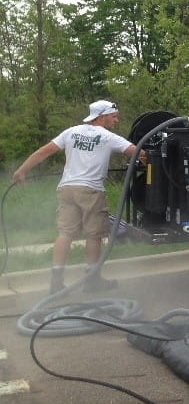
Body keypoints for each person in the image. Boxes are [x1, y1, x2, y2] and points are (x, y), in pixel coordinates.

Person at [11, 100, 145, 294]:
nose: (117, 119)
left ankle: (56, 283)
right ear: (101, 116)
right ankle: (92, 281)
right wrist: (153, 158)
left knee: (65, 233)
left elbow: (44, 151)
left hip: (67, 188)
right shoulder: (107, 136)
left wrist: (21, 171)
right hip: (90, 190)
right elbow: (139, 153)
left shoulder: (71, 132)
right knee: (94, 234)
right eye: (114, 116)